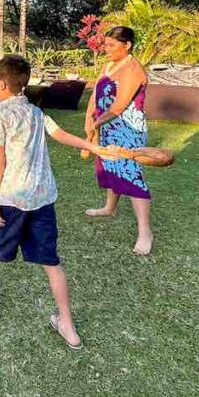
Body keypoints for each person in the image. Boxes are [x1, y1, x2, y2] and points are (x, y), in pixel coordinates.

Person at [0, 55, 108, 350]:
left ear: (1, 84)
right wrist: (92, 146)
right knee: (51, 262)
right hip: (42, 197)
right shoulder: (36, 113)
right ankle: (68, 324)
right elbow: (61, 135)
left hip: (12, 197)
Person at [84, 26, 155, 256]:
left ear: (128, 45)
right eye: (106, 44)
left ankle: (145, 231)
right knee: (108, 166)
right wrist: (89, 120)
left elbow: (119, 106)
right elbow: (95, 95)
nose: (107, 49)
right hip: (106, 127)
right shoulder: (108, 66)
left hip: (128, 130)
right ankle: (109, 208)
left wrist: (98, 122)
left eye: (112, 45)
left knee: (130, 173)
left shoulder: (133, 69)